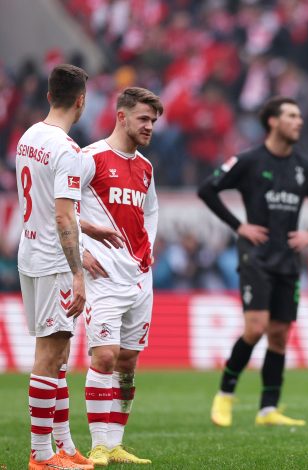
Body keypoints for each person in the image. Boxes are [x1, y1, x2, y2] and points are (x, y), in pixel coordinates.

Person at [200, 96, 308, 428]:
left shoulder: (304, 167)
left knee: (279, 335)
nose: (299, 121)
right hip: (256, 255)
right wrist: (239, 226)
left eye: (300, 116)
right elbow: (208, 189)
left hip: (287, 259)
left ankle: (268, 409)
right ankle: (225, 394)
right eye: (291, 115)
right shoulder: (249, 161)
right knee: (256, 327)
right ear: (273, 122)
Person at [78, 87, 163, 466]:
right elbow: (59, 207)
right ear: (122, 116)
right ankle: (97, 444)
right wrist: (80, 252)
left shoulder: (145, 168)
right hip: (102, 277)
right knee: (106, 355)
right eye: (144, 119)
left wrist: (149, 248)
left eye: (154, 121)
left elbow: (152, 212)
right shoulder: (89, 157)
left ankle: (115, 443)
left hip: (139, 276)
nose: (149, 126)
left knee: (128, 360)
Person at [16, 64, 94, 470]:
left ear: (49, 96)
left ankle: (62, 446)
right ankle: (41, 454)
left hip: (30, 254)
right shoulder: (69, 151)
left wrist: (88, 229)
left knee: (59, 354)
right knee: (50, 355)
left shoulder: (29, 136)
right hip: (53, 261)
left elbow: (51, 206)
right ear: (80, 100)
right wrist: (78, 272)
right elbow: (63, 217)